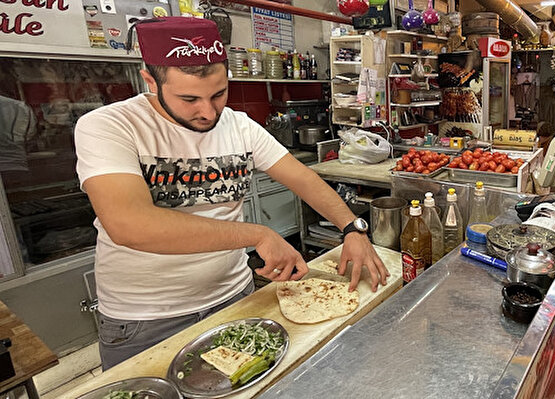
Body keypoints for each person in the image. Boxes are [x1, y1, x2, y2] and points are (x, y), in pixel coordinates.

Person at [74, 17, 389, 370]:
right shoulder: (108, 127)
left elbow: (302, 177)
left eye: (218, 94)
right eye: (189, 98)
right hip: (147, 319)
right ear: (150, 80)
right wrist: (257, 234)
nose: (208, 112)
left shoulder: (238, 125)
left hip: (234, 300)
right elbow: (130, 225)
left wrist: (351, 228)